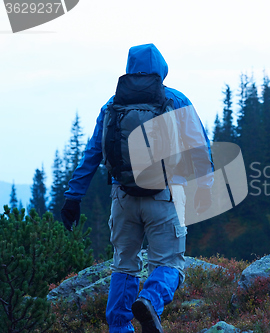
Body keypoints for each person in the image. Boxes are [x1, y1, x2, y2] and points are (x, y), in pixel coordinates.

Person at [61, 43, 213, 333]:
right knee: (170, 264)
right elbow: (199, 148)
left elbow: (93, 152)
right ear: (162, 69)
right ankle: (150, 301)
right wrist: (205, 188)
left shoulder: (112, 104)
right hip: (164, 196)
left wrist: (73, 196)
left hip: (123, 197)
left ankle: (119, 326)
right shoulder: (176, 100)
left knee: (124, 265)